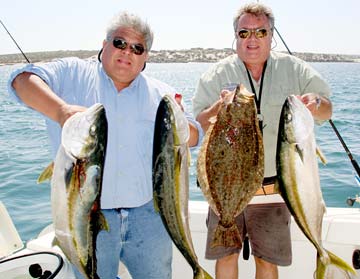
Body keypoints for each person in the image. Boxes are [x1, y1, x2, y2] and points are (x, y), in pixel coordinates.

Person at [8, 11, 203, 279]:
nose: (127, 52)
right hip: (87, 216)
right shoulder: (72, 73)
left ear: (146, 57)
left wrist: (180, 121)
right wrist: (61, 111)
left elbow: (194, 136)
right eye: (119, 43)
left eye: (138, 48)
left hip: (148, 216)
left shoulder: (162, 93)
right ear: (104, 44)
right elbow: (21, 81)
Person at [192, 3, 332, 279]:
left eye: (260, 32)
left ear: (272, 35)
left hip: (273, 190)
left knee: (267, 263)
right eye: (244, 33)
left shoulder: (295, 69)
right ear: (235, 36)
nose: (252, 39)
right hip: (226, 189)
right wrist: (218, 109)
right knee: (226, 257)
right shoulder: (216, 74)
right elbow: (199, 122)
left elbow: (327, 110)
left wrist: (316, 103)